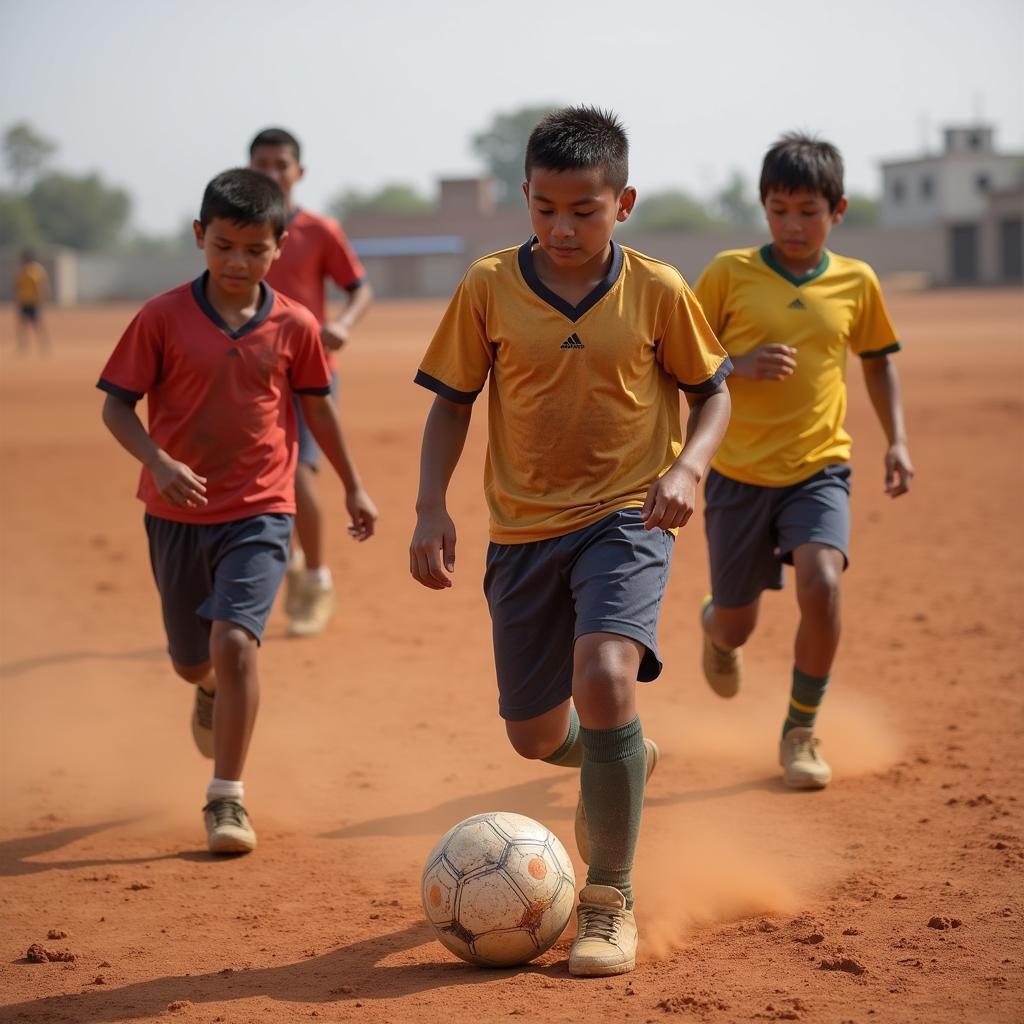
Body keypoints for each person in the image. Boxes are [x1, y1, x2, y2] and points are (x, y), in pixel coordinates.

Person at [409, 107, 731, 976]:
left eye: (583, 210)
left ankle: (608, 901)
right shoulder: (487, 285)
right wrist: (430, 506)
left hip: (628, 515)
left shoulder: (659, 289)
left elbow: (714, 395)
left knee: (605, 675)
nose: (562, 227)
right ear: (524, 197)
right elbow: (451, 403)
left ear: (622, 203)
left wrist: (690, 469)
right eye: (545, 207)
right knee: (529, 733)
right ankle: (619, 753)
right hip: (520, 532)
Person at [97, 169, 377, 854]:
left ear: (279, 247)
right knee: (194, 661)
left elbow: (317, 407)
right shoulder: (160, 318)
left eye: (254, 250)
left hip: (261, 508)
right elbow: (116, 406)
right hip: (174, 511)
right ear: (200, 237)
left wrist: (352, 484)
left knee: (235, 641)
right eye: (223, 247)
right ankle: (209, 691)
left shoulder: (294, 324)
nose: (237, 262)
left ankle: (227, 798)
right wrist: (158, 461)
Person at [694, 133, 914, 790]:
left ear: (837, 210)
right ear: (763, 206)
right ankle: (716, 627)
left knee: (823, 583)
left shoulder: (856, 282)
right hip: (736, 473)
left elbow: (878, 362)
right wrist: (739, 366)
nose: (793, 224)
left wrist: (897, 439)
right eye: (779, 208)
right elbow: (682, 362)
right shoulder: (728, 274)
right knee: (738, 624)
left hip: (819, 468)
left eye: (808, 210)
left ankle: (799, 730)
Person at [249, 127, 374, 638]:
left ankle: (317, 582)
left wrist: (343, 323)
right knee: (263, 480)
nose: (273, 173)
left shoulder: (320, 230)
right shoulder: (240, 232)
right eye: (263, 163)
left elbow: (359, 288)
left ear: (299, 172)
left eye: (282, 164)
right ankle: (295, 565)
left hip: (310, 371)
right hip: (252, 376)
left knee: (299, 474)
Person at [13, 249, 51, 353]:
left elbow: (41, 286)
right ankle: (23, 347)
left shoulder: (37, 270)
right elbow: (17, 287)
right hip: (24, 302)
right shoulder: (21, 271)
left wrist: (42, 301)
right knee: (22, 326)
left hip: (34, 302)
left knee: (38, 325)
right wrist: (17, 301)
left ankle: (43, 346)